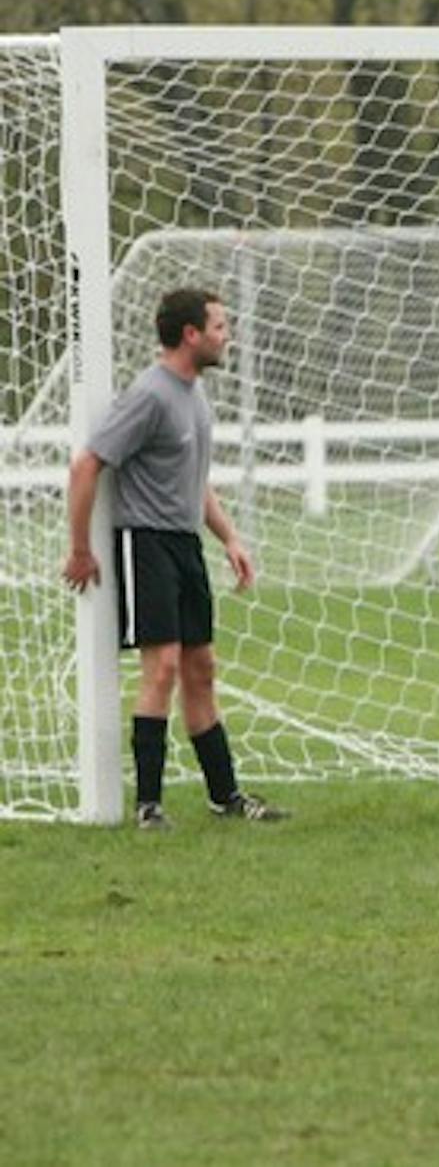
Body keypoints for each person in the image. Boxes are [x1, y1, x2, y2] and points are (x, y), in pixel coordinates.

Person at [61, 288, 286, 829]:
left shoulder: (194, 396)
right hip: (146, 542)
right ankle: (149, 806)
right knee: (161, 668)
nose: (225, 335)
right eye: (218, 326)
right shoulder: (151, 394)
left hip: (184, 544)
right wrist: (80, 550)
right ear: (190, 334)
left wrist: (229, 538)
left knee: (201, 668)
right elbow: (87, 465)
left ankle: (225, 796)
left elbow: (194, 480)